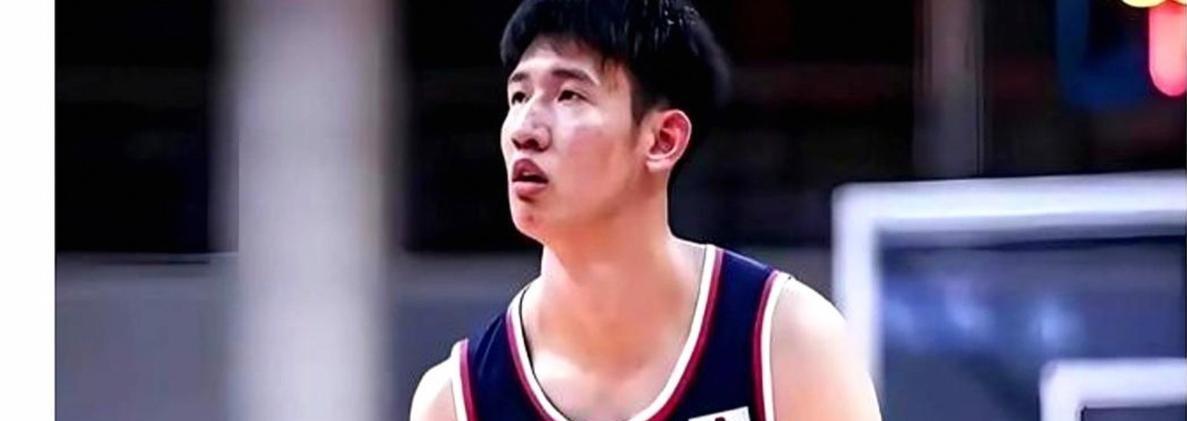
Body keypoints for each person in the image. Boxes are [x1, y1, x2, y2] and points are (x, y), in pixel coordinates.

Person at [411, 0, 881, 419]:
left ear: (662, 140)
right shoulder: (456, 401)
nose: (524, 130)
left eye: (569, 95)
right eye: (519, 96)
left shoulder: (787, 343)